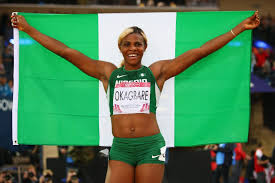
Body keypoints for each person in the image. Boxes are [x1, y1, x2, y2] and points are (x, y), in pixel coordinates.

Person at [11, 11, 260, 183]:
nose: (133, 48)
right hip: (121, 147)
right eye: (128, 43)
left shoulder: (157, 72)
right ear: (120, 47)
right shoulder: (108, 72)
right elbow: (66, 52)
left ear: (145, 47)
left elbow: (200, 52)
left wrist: (239, 28)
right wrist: (27, 28)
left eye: (138, 44)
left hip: (151, 146)